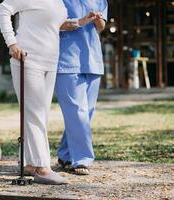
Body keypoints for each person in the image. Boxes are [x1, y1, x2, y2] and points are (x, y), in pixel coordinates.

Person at [0, 0, 68, 184]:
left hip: (50, 62)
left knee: (41, 115)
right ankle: (43, 168)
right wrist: (12, 43)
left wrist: (80, 21)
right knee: (34, 114)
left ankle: (28, 163)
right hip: (28, 59)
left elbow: (52, 23)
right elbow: (3, 10)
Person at [55, 0, 108, 175]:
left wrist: (97, 19)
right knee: (77, 111)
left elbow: (101, 27)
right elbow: (54, 24)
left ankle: (65, 154)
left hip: (92, 59)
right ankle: (82, 160)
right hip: (67, 59)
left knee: (86, 113)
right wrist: (82, 20)